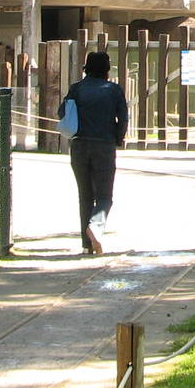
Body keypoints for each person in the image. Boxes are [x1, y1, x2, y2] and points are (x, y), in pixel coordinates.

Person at [60, 50, 129, 254]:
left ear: (86, 69)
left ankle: (86, 244)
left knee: (85, 196)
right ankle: (96, 227)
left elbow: (62, 112)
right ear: (107, 70)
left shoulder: (76, 89)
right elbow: (123, 119)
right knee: (105, 196)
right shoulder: (114, 90)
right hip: (104, 145)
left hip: (79, 145)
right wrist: (117, 137)